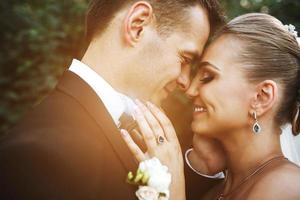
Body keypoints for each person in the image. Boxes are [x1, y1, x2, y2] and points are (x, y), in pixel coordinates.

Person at [0, 0, 224, 199]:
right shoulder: (37, 159)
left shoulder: (131, 126)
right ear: (138, 25)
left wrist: (202, 164)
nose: (185, 81)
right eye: (185, 58)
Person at [122, 13, 300, 199]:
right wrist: (202, 165)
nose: (190, 90)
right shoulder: (218, 190)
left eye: (208, 76)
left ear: (261, 97)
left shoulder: (284, 188)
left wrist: (170, 191)